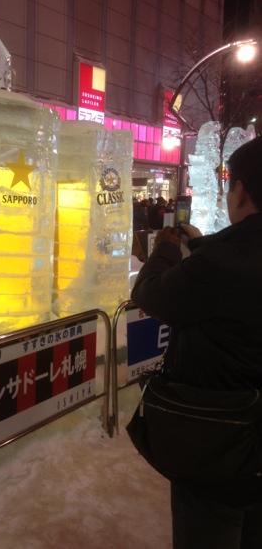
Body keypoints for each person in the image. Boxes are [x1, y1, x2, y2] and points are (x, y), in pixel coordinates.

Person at [130, 136, 262, 549]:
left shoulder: (219, 266)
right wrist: (202, 243)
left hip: (221, 445)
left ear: (240, 191)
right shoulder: (220, 260)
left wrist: (167, 251)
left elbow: (150, 294)